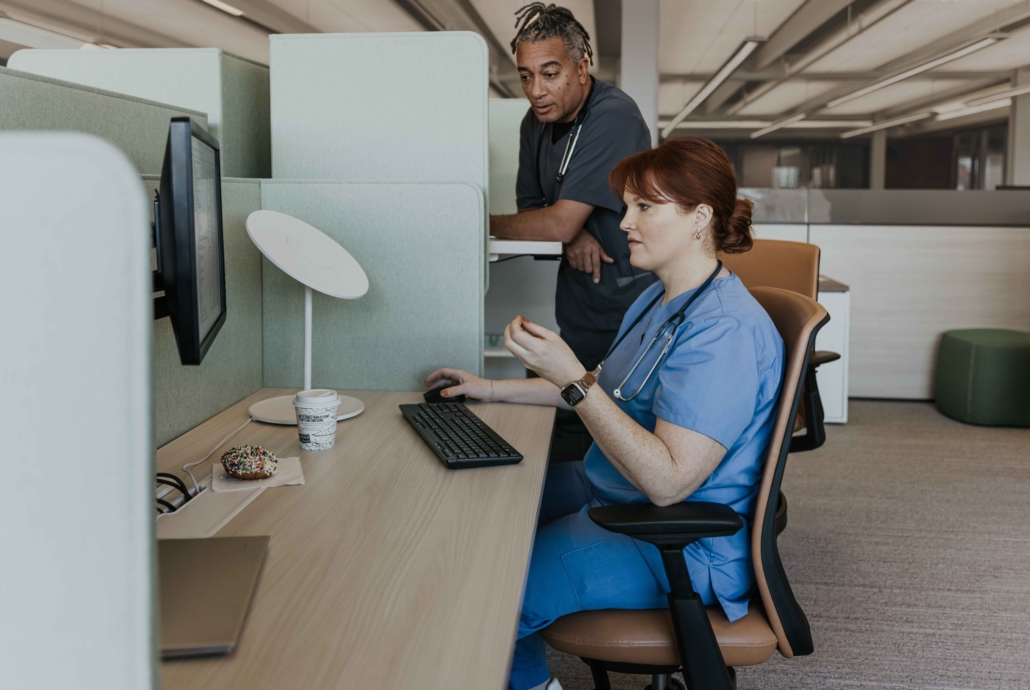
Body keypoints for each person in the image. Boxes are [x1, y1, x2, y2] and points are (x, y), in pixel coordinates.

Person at [425, 137, 785, 690]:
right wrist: (490, 391)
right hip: (614, 488)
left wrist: (568, 374)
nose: (624, 222)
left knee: (487, 594)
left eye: (645, 207)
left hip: (673, 539)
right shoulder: (658, 297)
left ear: (700, 218)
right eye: (629, 205)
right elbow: (605, 391)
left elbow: (667, 481)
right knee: (486, 508)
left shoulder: (724, 331)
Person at [490, 3, 656, 371]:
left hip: (628, 297)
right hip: (579, 296)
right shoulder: (535, 122)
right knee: (573, 406)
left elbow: (554, 224)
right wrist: (571, 233)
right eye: (526, 76)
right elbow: (531, 211)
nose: (536, 90)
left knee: (617, 411)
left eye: (549, 74)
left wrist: (480, 222)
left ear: (581, 69)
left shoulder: (614, 117)